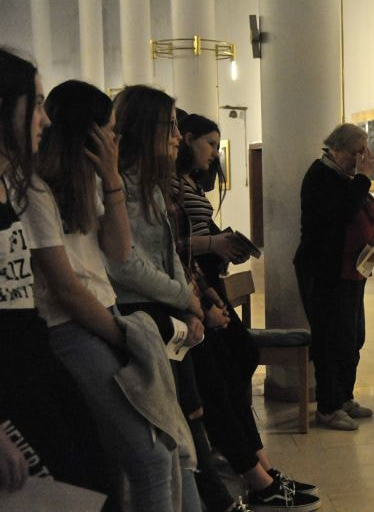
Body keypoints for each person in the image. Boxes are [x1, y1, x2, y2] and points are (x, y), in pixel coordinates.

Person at [22, 78, 202, 510]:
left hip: (104, 316)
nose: (116, 141)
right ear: (88, 136)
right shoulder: (35, 190)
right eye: (110, 132)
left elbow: (118, 251)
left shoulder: (88, 184)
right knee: (152, 458)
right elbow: (67, 289)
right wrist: (124, 335)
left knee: (168, 447)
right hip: (74, 327)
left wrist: (110, 180)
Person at [174, 114, 319, 511]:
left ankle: (259, 465)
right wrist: (211, 255)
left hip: (201, 287)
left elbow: (183, 248)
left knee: (238, 362)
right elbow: (173, 247)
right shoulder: (166, 185)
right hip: (191, 296)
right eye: (209, 144)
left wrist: (217, 256)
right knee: (221, 380)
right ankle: (254, 471)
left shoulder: (187, 183)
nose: (214, 153)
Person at [0, 50, 110, 499]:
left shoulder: (10, 187)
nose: (45, 120)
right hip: (11, 378)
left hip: (33, 359)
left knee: (92, 482)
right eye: (36, 104)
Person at [294, 123, 374, 431]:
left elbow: (369, 214)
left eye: (364, 152)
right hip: (325, 270)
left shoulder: (347, 178)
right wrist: (363, 178)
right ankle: (328, 407)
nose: (361, 159)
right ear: (335, 149)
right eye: (356, 153)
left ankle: (345, 397)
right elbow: (341, 213)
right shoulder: (320, 175)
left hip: (354, 270)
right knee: (331, 339)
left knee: (353, 337)